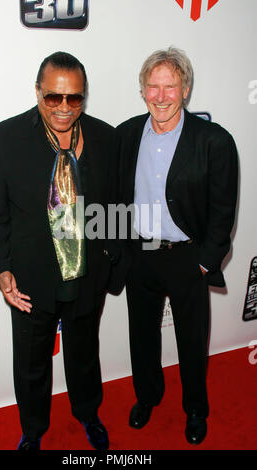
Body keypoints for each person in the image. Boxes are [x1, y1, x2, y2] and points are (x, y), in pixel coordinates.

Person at [0, 52, 115, 451]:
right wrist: (2, 269)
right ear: (38, 92)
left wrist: (110, 265)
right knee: (30, 363)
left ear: (83, 96)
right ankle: (34, 430)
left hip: (86, 276)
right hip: (30, 279)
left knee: (84, 354)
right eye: (53, 98)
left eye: (73, 98)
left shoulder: (106, 138)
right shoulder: (4, 138)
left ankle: (89, 414)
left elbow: (116, 206)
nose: (63, 108)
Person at [115, 47, 238, 444]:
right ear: (142, 90)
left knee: (191, 339)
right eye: (153, 86)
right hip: (141, 255)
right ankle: (147, 397)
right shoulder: (126, 134)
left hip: (187, 257)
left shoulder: (214, 141)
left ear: (185, 90)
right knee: (142, 335)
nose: (161, 95)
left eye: (170, 86)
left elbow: (223, 211)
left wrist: (205, 262)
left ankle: (196, 410)